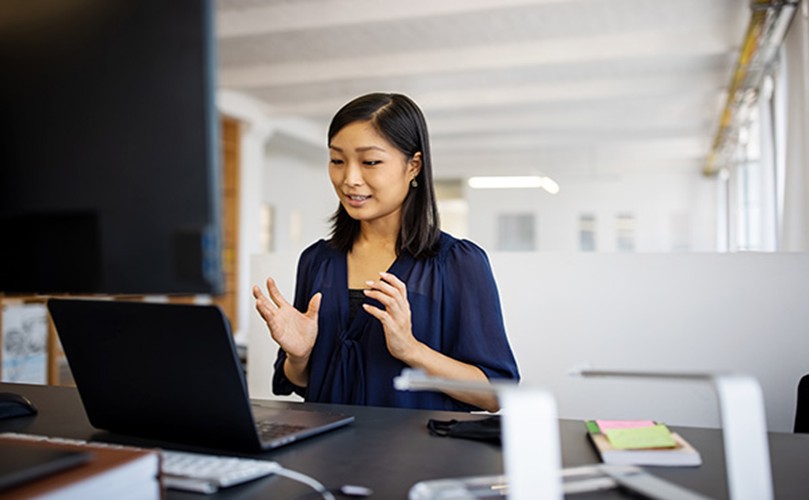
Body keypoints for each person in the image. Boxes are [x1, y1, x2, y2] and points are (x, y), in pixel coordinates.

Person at [253, 93, 519, 412]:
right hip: (325, 455)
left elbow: (496, 394)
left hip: (417, 457)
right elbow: (300, 381)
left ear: (414, 166)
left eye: (370, 162)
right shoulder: (317, 261)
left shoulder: (456, 262)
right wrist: (299, 356)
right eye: (337, 161)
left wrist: (411, 350)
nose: (349, 179)